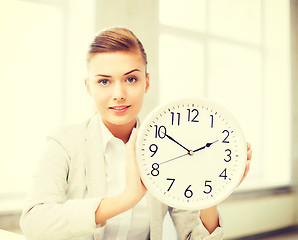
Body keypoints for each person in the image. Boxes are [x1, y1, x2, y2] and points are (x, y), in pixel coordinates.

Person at [20, 27, 252, 240]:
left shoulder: (172, 147)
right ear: (88, 86)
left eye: (131, 79)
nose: (119, 94)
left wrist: (212, 194)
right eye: (104, 82)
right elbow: (33, 223)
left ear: (146, 82)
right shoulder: (64, 142)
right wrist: (126, 199)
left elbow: (194, 237)